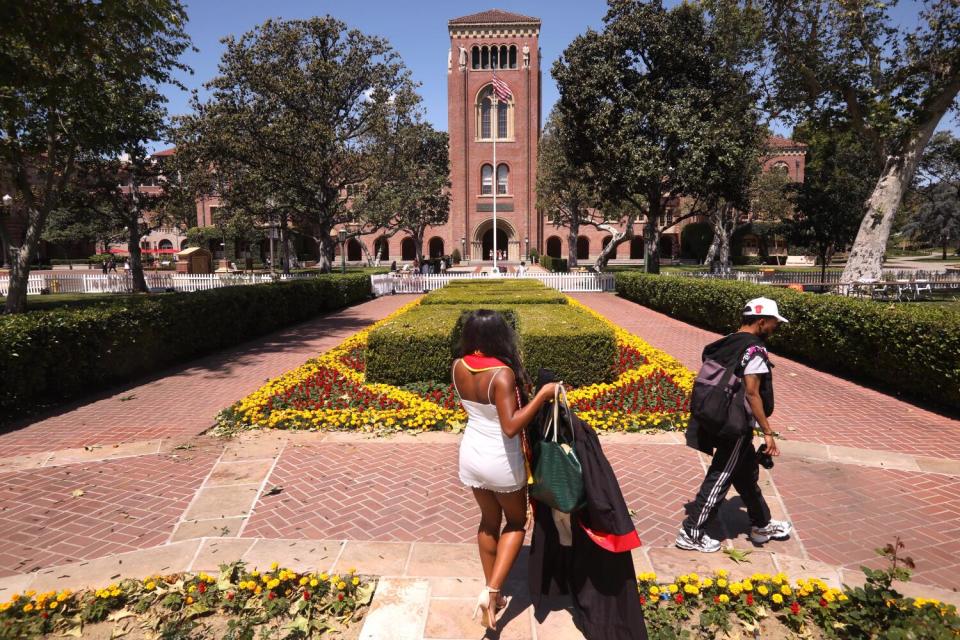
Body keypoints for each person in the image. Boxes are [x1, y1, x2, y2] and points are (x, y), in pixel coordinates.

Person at [453, 310, 559, 631]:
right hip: (500, 458)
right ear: (499, 337)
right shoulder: (502, 374)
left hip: (471, 452)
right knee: (515, 522)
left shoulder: (458, 365)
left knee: (488, 522)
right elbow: (511, 426)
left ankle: (493, 594)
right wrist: (542, 395)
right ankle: (493, 591)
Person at [677, 297, 793, 553]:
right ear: (762, 321)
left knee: (746, 474)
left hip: (721, 416)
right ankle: (692, 531)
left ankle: (762, 523)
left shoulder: (729, 341)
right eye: (775, 323)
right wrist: (768, 432)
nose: (776, 328)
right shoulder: (755, 350)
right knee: (721, 475)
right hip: (736, 424)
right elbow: (753, 393)